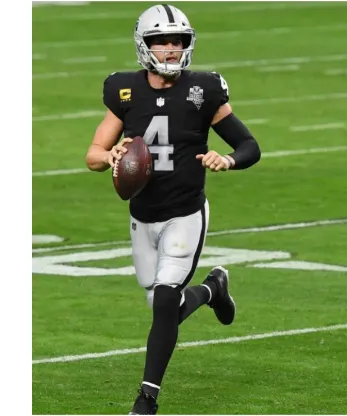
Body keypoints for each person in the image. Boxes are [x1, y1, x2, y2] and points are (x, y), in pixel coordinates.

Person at [84, 4, 261, 415]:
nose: (170, 49)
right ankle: (213, 289)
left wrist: (228, 160)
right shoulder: (124, 91)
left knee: (164, 301)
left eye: (177, 40)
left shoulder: (203, 91)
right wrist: (111, 155)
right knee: (167, 309)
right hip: (142, 215)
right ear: (144, 46)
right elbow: (93, 154)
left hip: (185, 211)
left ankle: (146, 398)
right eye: (161, 41)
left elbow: (250, 146)